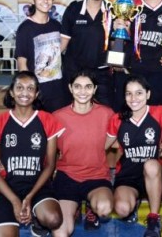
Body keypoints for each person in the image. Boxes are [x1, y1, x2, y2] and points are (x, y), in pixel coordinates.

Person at [106, 75, 162, 237]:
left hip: (154, 173)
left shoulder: (160, 112)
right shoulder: (117, 119)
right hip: (128, 175)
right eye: (128, 93)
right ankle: (134, 202)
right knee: (122, 210)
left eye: (139, 93)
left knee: (150, 165)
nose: (133, 98)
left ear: (148, 94)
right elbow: (104, 145)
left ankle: (153, 218)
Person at [0, 71, 64, 237]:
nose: (24, 93)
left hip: (37, 186)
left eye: (30, 88)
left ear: (36, 93)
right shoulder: (0, 122)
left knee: (54, 219)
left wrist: (29, 197)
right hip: (8, 188)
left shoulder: (48, 120)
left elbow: (50, 165)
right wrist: (14, 200)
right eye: (19, 88)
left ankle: (37, 218)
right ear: (11, 92)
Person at [52, 70, 114, 236]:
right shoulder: (57, 117)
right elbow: (46, 152)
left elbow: (120, 142)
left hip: (97, 176)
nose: (82, 91)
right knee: (61, 232)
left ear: (94, 89)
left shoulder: (107, 114)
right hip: (67, 177)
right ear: (70, 88)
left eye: (88, 87)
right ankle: (75, 208)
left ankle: (91, 209)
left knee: (104, 208)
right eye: (77, 86)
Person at [60, 0, 114, 108]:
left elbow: (114, 46)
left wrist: (122, 30)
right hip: (74, 72)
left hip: (101, 74)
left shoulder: (112, 13)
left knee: (105, 113)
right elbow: (63, 43)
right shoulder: (73, 9)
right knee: (72, 112)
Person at [15, 0, 66, 113]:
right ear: (33, 0)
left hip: (58, 90)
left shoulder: (56, 25)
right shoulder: (25, 29)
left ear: (53, 0)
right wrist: (30, 90)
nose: (45, 1)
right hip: (38, 92)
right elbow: (22, 64)